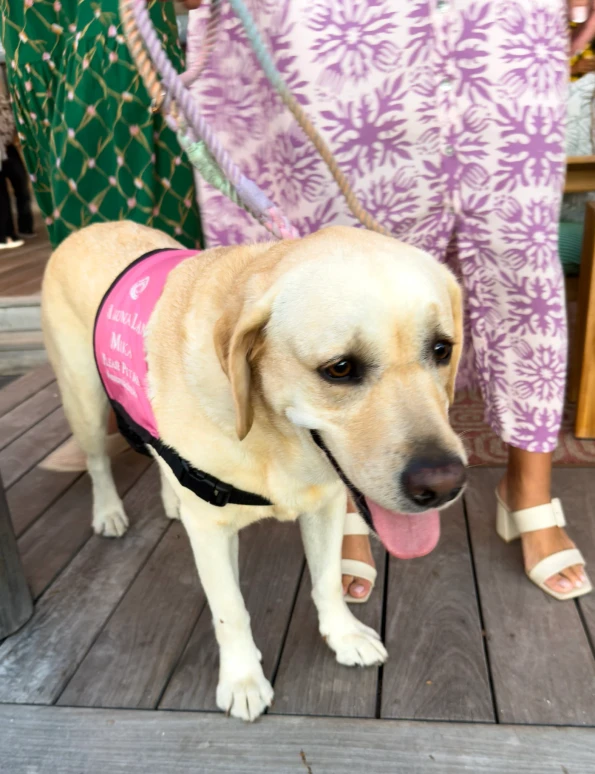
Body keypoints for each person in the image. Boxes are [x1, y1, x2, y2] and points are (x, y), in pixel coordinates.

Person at [185, 0, 592, 601]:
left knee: (519, 254)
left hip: (504, 16)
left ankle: (528, 490)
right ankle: (346, 495)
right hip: (333, 17)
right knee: (338, 250)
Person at [0, 0, 203, 469]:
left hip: (108, 16)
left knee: (117, 207)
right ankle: (115, 406)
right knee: (66, 209)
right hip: (29, 24)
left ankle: (158, 403)